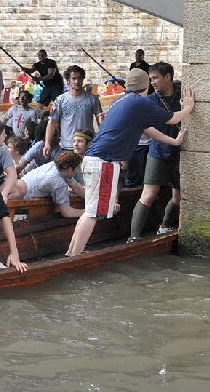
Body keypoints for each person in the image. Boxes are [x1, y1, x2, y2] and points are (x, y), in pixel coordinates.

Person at [66, 69, 194, 257]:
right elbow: (173, 118)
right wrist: (188, 108)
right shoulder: (140, 103)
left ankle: (72, 252)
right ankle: (73, 258)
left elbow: (148, 129)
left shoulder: (121, 101)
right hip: (104, 163)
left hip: (93, 160)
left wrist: (174, 141)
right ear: (146, 85)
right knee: (92, 213)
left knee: (90, 211)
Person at [129, 62, 186, 242]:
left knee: (177, 196)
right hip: (158, 151)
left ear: (168, 77)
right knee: (148, 194)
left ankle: (165, 226)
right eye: (150, 79)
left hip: (180, 153)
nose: (152, 82)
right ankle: (134, 238)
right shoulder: (150, 101)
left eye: (155, 78)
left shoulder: (181, 94)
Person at [44, 65, 103, 160]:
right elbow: (52, 123)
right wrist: (47, 143)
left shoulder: (92, 99)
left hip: (88, 147)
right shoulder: (60, 100)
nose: (77, 81)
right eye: (74, 78)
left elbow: (100, 121)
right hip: (67, 147)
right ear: (68, 80)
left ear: (83, 79)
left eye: (79, 78)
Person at [9, 150, 85, 218]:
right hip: (22, 204)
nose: (77, 171)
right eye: (77, 168)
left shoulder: (56, 165)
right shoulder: (59, 183)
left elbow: (76, 187)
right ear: (70, 169)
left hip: (19, 189)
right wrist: (89, 213)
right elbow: (67, 213)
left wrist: (93, 201)